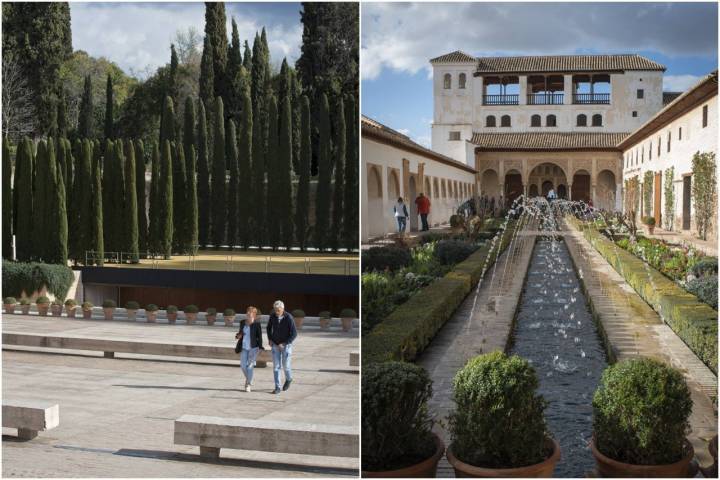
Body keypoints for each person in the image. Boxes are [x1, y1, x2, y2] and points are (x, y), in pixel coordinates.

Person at [266, 300, 297, 394]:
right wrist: (270, 339)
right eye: (275, 310)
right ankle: (277, 387)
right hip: (275, 344)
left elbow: (294, 334)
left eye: (278, 310)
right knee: (276, 367)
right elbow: (268, 328)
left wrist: (284, 343)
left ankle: (289, 378)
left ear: (283, 309)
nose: (276, 312)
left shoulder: (289, 318)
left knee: (286, 366)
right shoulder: (272, 316)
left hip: (286, 345)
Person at [235, 306, 264, 392]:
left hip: (253, 348)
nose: (248, 314)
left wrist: (260, 347)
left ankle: (248, 384)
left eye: (250, 313)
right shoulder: (242, 322)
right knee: (243, 366)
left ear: (254, 315)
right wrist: (238, 336)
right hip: (244, 347)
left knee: (250, 367)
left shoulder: (257, 324)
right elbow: (239, 334)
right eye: (247, 313)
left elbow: (260, 337)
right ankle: (249, 379)